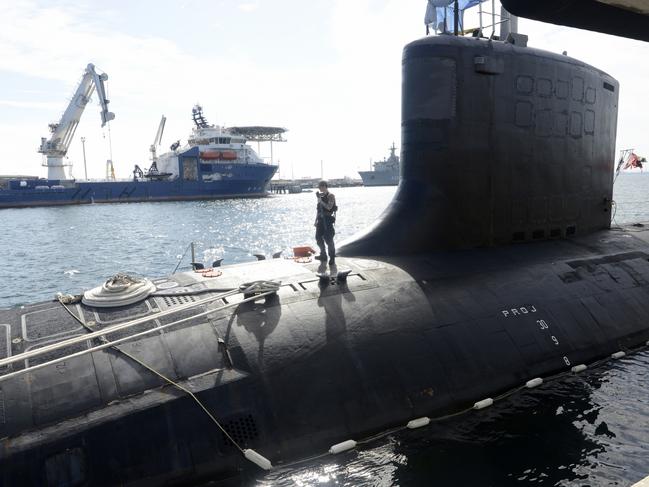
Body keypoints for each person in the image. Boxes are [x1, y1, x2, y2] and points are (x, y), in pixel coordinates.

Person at [314, 180, 337, 264]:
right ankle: (323, 255)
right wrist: (315, 221)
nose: (319, 188)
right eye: (319, 187)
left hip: (327, 220)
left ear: (324, 186)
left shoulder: (331, 196)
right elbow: (318, 210)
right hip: (320, 220)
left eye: (320, 186)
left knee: (329, 239)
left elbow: (329, 207)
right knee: (318, 238)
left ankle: (332, 257)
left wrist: (321, 201)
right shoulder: (320, 196)